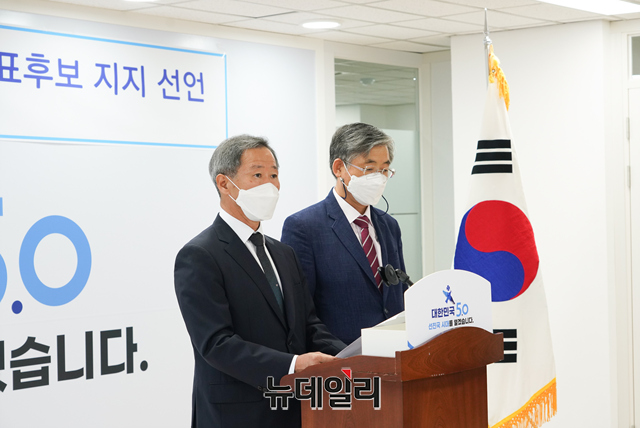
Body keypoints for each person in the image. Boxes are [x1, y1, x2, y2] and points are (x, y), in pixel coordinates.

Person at [174, 135, 345, 428]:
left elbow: (308, 324)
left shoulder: (283, 253)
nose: (270, 185)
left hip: (294, 408)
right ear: (224, 183)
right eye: (257, 175)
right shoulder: (199, 255)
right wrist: (292, 365)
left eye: (274, 175)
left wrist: (351, 355)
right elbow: (216, 343)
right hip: (236, 414)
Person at [281, 123, 407, 345]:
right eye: (369, 169)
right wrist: (340, 355)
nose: (379, 178)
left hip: (394, 351)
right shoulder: (304, 227)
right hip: (340, 357)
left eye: (384, 170)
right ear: (339, 168)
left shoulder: (389, 225)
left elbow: (397, 295)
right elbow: (301, 313)